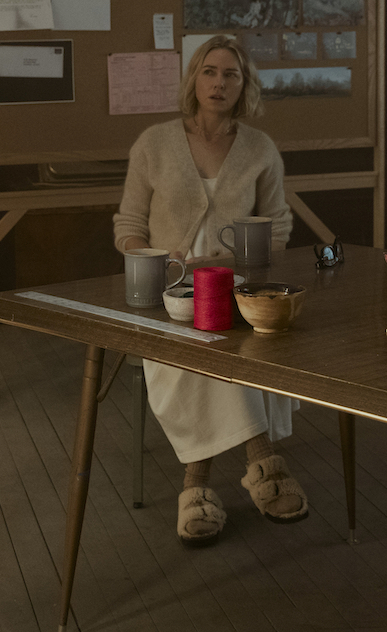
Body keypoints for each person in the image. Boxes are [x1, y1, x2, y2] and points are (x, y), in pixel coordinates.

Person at [113, 35, 304, 547]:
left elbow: (279, 227)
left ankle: (195, 489)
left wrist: (233, 262)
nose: (219, 83)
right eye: (210, 72)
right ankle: (263, 462)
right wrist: (152, 258)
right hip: (168, 298)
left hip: (238, 290)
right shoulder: (153, 143)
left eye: (232, 74)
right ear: (194, 79)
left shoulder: (260, 149)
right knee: (207, 342)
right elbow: (128, 224)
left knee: (224, 337)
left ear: (245, 86)